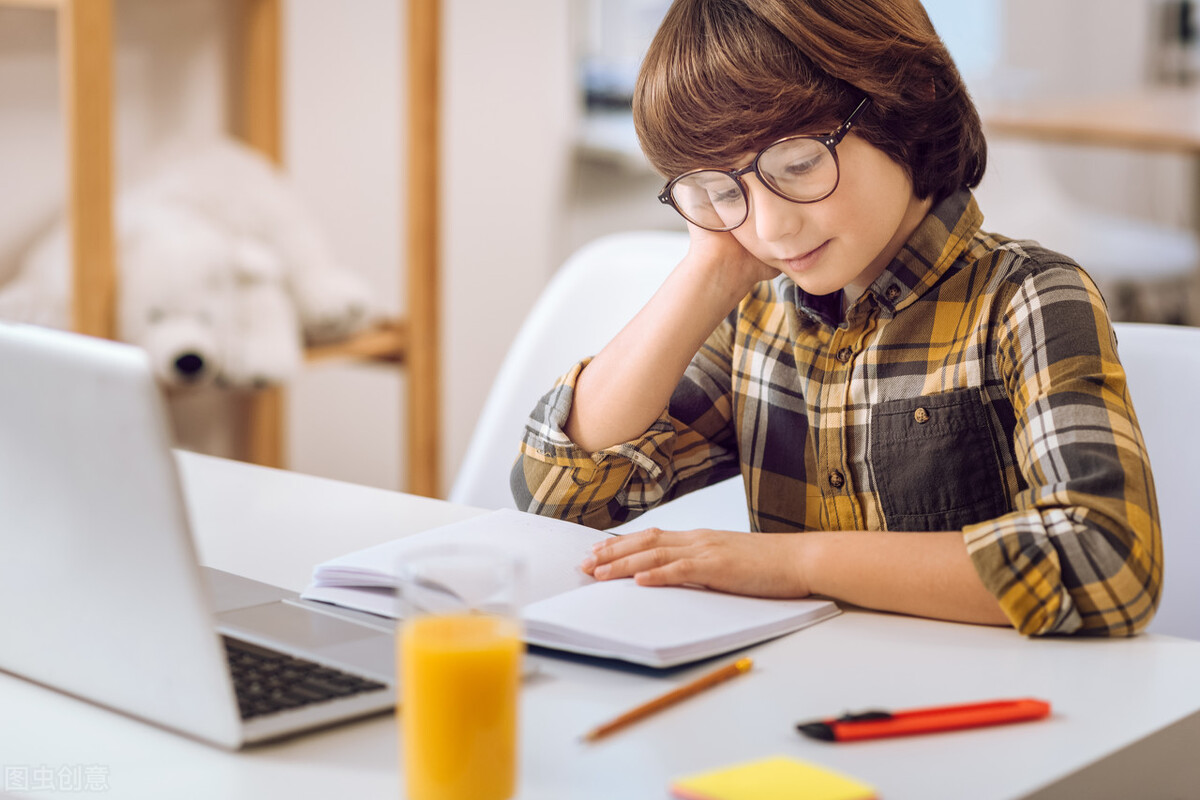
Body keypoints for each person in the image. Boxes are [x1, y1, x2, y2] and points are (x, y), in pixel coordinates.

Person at [511, 0, 1162, 636]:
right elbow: (558, 494)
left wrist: (798, 562)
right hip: (806, 701)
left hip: (994, 714)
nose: (770, 226)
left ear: (910, 101)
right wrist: (709, 268)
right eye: (720, 190)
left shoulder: (1025, 298)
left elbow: (1106, 560)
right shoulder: (758, 318)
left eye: (798, 165)